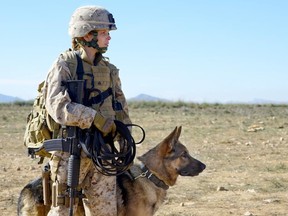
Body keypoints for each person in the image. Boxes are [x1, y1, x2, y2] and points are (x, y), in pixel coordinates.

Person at [43, 5, 131, 216]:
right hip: (70, 151)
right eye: (104, 33)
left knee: (105, 211)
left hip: (103, 153)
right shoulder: (64, 64)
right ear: (87, 34)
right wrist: (95, 119)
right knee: (63, 209)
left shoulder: (109, 70)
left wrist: (125, 136)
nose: (108, 38)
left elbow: (120, 107)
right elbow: (58, 106)